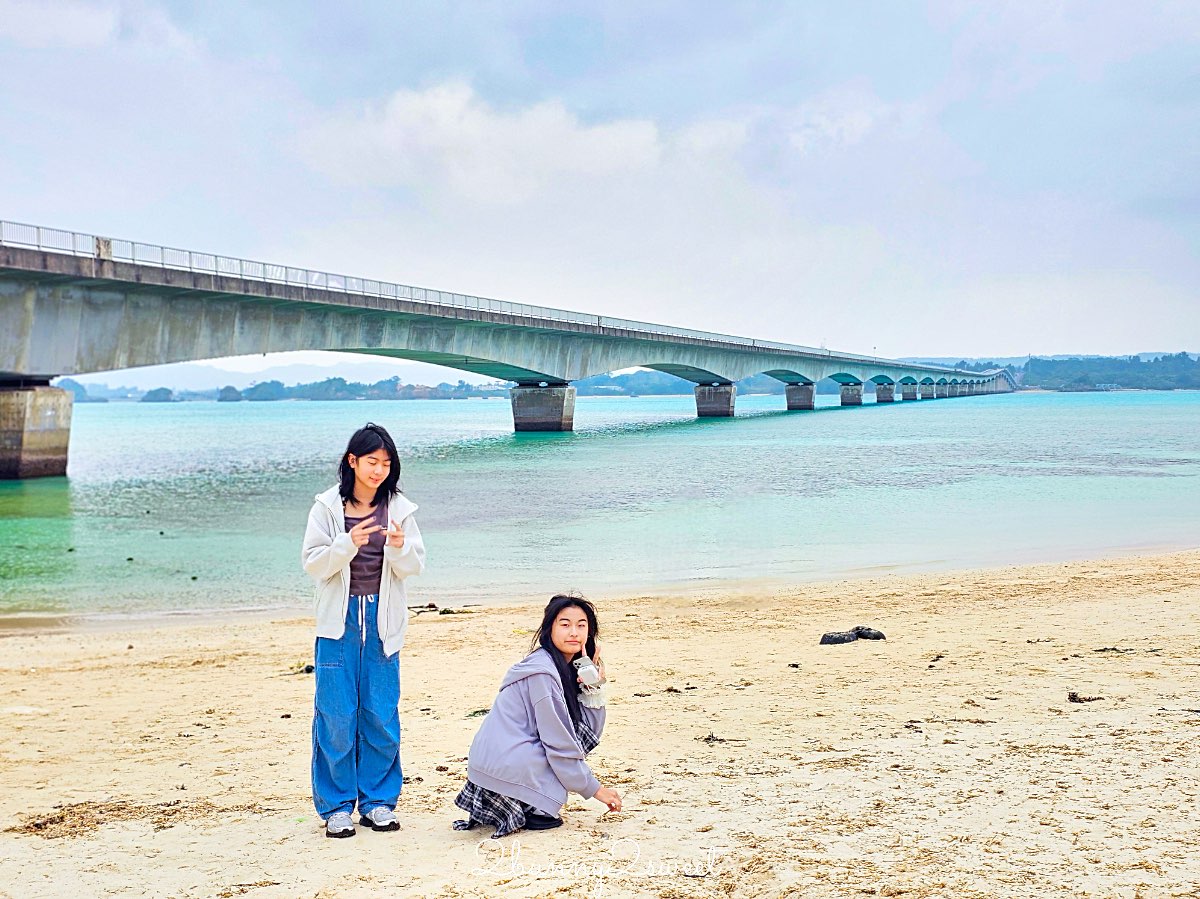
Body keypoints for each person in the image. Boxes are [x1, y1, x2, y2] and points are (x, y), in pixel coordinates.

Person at [302, 422, 425, 838]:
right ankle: (336, 806)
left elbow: (413, 567)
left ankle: (377, 802)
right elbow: (313, 564)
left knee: (381, 713)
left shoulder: (400, 509)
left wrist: (399, 546)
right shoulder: (326, 508)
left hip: (382, 622)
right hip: (336, 623)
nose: (379, 471)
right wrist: (347, 543)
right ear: (352, 461)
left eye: (386, 463)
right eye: (372, 461)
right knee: (335, 714)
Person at [453, 594, 622, 838]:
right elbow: (559, 743)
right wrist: (595, 789)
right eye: (565, 624)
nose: (573, 632)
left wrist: (593, 685)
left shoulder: (559, 667)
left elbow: (588, 734)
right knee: (548, 808)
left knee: (558, 767)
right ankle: (529, 804)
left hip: (498, 763)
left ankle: (531, 801)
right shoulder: (543, 673)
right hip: (503, 765)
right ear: (549, 629)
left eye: (581, 625)